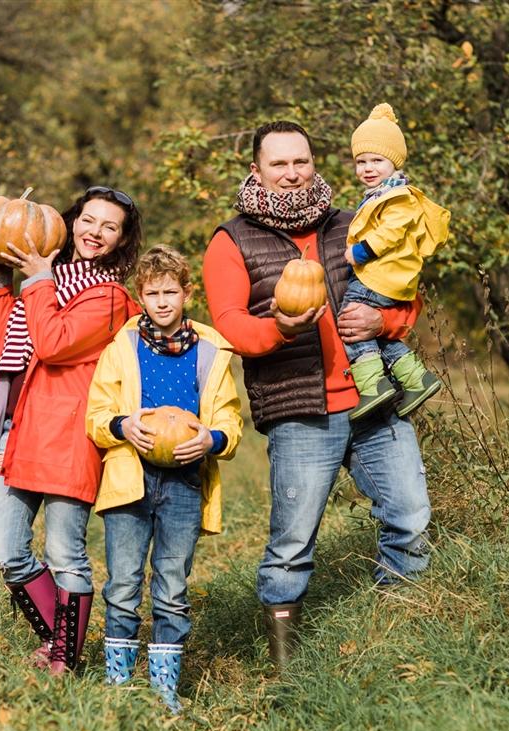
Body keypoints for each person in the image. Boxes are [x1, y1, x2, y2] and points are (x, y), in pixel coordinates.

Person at [202, 121, 432, 668]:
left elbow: (404, 289)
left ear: (314, 163)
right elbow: (229, 323)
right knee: (291, 545)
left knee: (410, 517)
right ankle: (287, 669)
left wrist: (386, 320)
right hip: (300, 408)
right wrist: (279, 328)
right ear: (256, 169)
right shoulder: (231, 240)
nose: (291, 173)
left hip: (375, 400)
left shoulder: (355, 222)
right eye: (278, 164)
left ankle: (400, 639)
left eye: (300, 161)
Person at [0, 186, 142, 676]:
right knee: (7, 551)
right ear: (72, 224)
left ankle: (64, 657)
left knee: (65, 553)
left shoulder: (110, 297)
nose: (96, 233)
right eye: (89, 221)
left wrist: (40, 281)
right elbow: (8, 341)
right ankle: (60, 641)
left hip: (69, 438)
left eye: (110, 227)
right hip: (20, 428)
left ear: (121, 240)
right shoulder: (45, 281)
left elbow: (52, 344)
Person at [85, 245, 243, 713]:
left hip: (183, 484)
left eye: (170, 292)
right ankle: (118, 684)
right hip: (130, 480)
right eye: (152, 293)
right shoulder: (122, 348)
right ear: (141, 296)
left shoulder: (211, 352)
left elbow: (230, 421)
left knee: (172, 587)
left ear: (186, 292)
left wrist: (212, 440)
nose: (162, 302)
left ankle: (162, 689)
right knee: (123, 583)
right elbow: (97, 414)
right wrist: (121, 426)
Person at [340, 102, 450, 421]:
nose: (368, 168)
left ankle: (373, 385)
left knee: (351, 320)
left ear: (394, 162)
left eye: (377, 160)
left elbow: (390, 233)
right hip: (382, 275)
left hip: (382, 277)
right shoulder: (380, 195)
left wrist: (360, 252)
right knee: (375, 334)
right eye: (361, 161)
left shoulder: (398, 196)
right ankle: (417, 379)